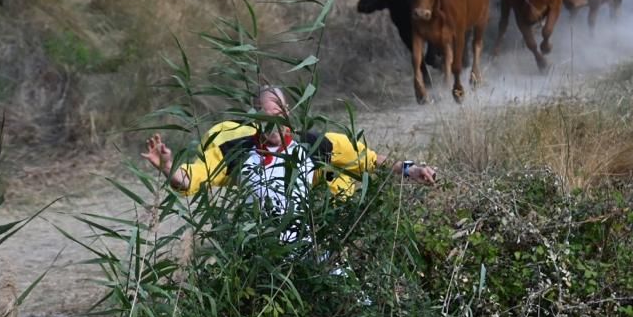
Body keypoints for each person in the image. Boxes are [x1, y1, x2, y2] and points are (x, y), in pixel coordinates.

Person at [141, 86, 437, 209]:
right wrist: (167, 167)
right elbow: (192, 178)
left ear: (288, 112)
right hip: (265, 255)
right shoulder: (236, 151)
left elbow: (369, 161)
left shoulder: (314, 144)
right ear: (253, 118)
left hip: (315, 238)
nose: (272, 121)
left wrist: (411, 169)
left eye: (277, 112)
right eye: (263, 114)